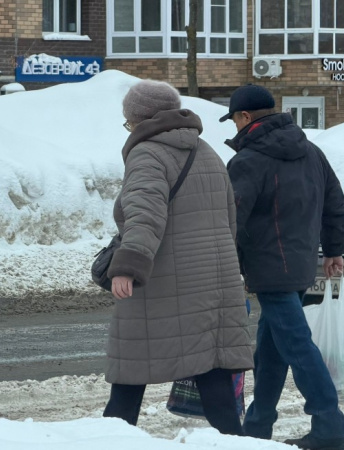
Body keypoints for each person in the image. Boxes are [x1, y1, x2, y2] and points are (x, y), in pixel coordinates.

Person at [103, 80, 253, 435]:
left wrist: (126, 267)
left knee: (129, 373)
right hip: (214, 285)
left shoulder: (148, 153)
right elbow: (229, 221)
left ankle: (108, 440)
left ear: (141, 119)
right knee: (213, 374)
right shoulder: (206, 151)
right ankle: (237, 443)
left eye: (129, 123)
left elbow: (144, 215)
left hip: (163, 283)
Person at [222, 84, 344, 450]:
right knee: (271, 349)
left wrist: (230, 267)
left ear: (244, 118)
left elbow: (232, 220)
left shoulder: (247, 161)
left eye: (234, 120)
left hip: (268, 268)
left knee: (297, 345)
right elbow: (335, 202)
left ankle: (330, 423)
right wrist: (334, 250)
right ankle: (259, 425)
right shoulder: (311, 151)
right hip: (301, 264)